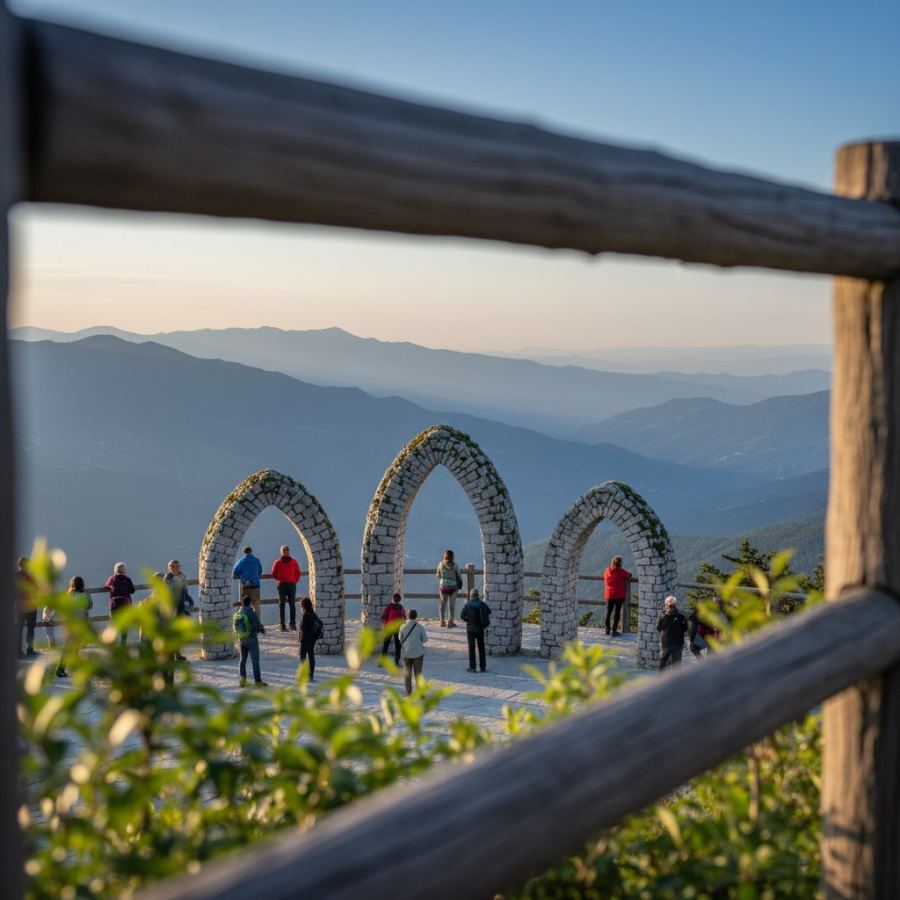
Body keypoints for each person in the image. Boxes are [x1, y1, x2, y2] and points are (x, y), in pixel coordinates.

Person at [233, 594, 267, 687]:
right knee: (255, 660)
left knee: (242, 660)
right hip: (251, 639)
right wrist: (262, 629)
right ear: (250, 603)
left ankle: (242, 681)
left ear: (242, 604)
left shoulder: (239, 612)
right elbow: (258, 625)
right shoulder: (251, 613)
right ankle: (258, 681)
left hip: (241, 639)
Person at [460, 587, 491, 673]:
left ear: (471, 596)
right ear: (478, 596)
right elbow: (489, 612)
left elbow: (462, 616)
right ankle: (483, 667)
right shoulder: (482, 604)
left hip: (470, 629)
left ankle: (472, 667)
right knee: (481, 648)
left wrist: (468, 620)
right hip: (480, 628)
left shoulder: (467, 604)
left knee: (471, 648)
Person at [272, 545, 301, 632]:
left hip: (281, 584)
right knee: (292, 603)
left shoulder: (277, 562)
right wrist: (294, 581)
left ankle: (282, 625)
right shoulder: (294, 562)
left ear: (282, 552)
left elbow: (273, 573)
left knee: (282, 604)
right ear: (289, 551)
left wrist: (279, 579)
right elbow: (298, 573)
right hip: (291, 584)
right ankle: (292, 624)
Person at [105, 562, 135, 646]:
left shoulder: (111, 579)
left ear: (115, 570)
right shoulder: (127, 579)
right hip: (126, 605)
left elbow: (106, 586)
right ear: (124, 570)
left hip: (114, 605)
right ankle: (123, 644)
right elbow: (132, 591)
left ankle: (112, 644)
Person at [398, 608, 428, 695]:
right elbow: (425, 640)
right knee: (418, 674)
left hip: (406, 653)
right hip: (418, 653)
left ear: (407, 616)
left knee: (407, 674)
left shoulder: (402, 627)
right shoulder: (420, 627)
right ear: (416, 616)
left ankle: (408, 692)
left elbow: (400, 639)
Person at [657, 595, 688, 670]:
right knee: (677, 665)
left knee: (662, 662)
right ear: (675, 605)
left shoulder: (662, 615)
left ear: (666, 605)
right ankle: (676, 681)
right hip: (678, 642)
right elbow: (685, 629)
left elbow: (658, 628)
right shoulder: (681, 616)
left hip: (666, 642)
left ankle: (660, 679)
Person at [603, 555, 632, 637]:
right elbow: (629, 575)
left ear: (612, 562)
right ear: (620, 563)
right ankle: (614, 631)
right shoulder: (621, 571)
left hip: (609, 595)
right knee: (617, 613)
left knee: (608, 612)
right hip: (619, 595)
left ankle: (607, 630)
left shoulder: (606, 570)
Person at [16, 556, 37, 659]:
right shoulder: (31, 576)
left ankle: (18, 651)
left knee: (19, 629)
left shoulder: (15, 576)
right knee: (30, 628)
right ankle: (30, 649)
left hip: (19, 606)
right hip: (31, 606)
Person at [298, 596, 323, 682]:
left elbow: (302, 628)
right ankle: (311, 675)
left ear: (303, 606)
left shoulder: (305, 615)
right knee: (311, 656)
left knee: (303, 657)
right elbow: (321, 623)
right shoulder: (313, 614)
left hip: (305, 639)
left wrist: (300, 638)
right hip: (312, 639)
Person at [232, 546, 263, 617]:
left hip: (245, 586)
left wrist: (241, 575)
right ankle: (257, 623)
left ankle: (247, 624)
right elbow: (260, 572)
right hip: (255, 586)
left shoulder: (241, 561)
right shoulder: (256, 560)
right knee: (256, 606)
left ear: (244, 552)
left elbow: (234, 572)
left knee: (244, 606)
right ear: (251, 551)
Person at [436, 549, 462, 628]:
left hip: (443, 587)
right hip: (453, 587)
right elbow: (459, 575)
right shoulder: (455, 566)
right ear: (452, 557)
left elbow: (438, 575)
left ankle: (442, 621)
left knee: (442, 604)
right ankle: (450, 622)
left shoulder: (441, 564)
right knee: (452, 605)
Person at [380, 592, 406, 665]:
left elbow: (383, 617)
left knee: (386, 645)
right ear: (400, 600)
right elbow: (404, 619)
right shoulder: (401, 608)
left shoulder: (389, 607)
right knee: (398, 646)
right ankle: (396, 662)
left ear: (393, 599)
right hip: (397, 629)